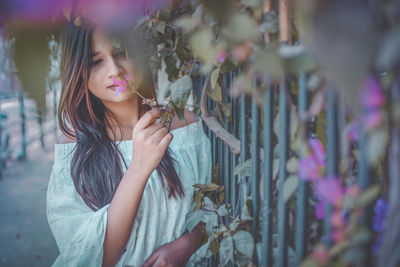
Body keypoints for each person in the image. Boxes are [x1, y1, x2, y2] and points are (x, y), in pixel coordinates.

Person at [46, 17, 211, 267]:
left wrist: (187, 244)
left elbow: (213, 206)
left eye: (121, 53)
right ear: (78, 72)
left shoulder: (184, 125)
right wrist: (139, 166)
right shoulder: (74, 149)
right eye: (96, 61)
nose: (114, 69)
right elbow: (91, 255)